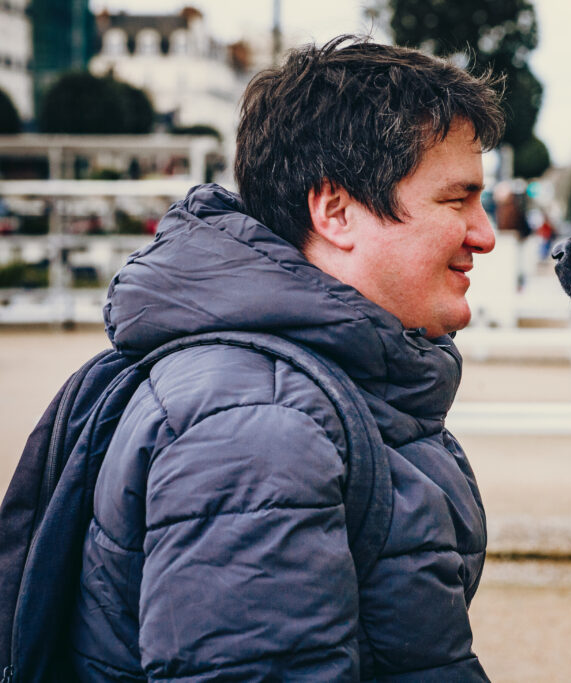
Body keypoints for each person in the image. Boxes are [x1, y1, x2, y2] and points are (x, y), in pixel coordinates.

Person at [70, 36, 503, 680]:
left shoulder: (319, 386)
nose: (485, 234)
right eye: (456, 199)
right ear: (336, 211)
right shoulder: (257, 424)